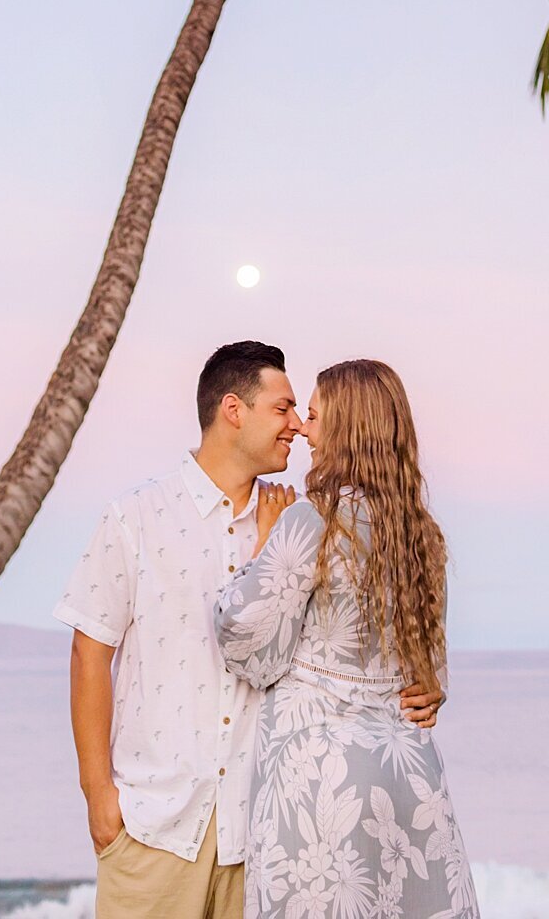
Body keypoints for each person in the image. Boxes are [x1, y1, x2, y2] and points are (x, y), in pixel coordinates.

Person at [53, 340, 443, 919]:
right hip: (156, 824)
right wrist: (99, 798)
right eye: (284, 409)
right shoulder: (137, 516)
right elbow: (90, 654)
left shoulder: (302, 521)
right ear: (234, 410)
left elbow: (360, 632)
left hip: (265, 833)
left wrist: (419, 682)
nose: (298, 427)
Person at [215, 358, 479, 919]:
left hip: (321, 773)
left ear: (345, 430)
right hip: (407, 771)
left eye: (314, 418)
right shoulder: (421, 535)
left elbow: (244, 640)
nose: (305, 431)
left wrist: (262, 546)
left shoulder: (312, 519)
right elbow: (428, 678)